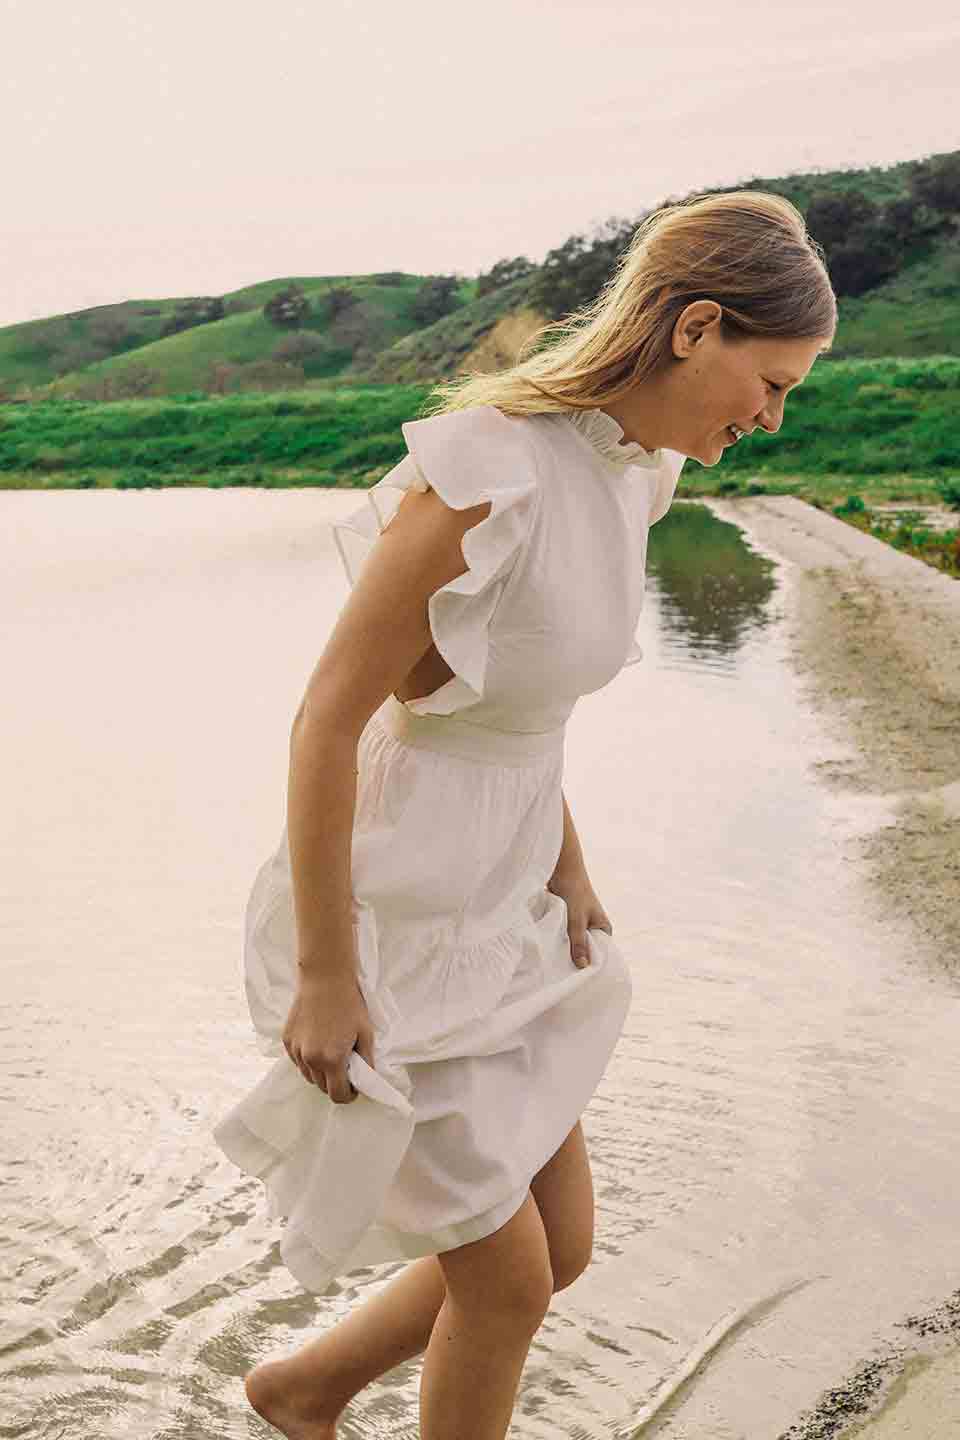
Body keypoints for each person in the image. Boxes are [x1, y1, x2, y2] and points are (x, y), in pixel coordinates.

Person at [212, 188, 837, 1440]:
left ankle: (301, 1391)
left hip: (509, 892)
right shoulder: (489, 469)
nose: (771, 417)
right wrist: (327, 975)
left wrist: (571, 866)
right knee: (502, 1285)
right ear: (695, 329)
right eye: (769, 383)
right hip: (392, 907)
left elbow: (522, 712)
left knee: (563, 1247)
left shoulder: (636, 474)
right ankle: (308, 1395)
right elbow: (327, 720)